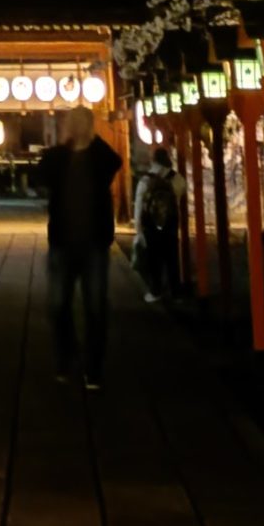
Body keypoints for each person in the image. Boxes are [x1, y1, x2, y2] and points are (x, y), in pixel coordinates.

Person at [36, 105, 123, 390]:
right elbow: (40, 176)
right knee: (57, 304)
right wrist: (65, 144)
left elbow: (115, 161)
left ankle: (93, 367)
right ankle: (66, 356)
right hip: (62, 241)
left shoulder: (100, 156)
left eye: (80, 121)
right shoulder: (58, 156)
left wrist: (93, 139)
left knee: (95, 306)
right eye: (71, 121)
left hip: (94, 242)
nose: (74, 126)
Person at [132, 143, 182, 303]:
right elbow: (181, 193)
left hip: (151, 225)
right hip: (170, 223)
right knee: (172, 258)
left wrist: (139, 230)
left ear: (153, 160)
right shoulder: (175, 178)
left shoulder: (145, 180)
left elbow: (138, 207)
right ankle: (176, 292)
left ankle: (156, 291)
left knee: (154, 259)